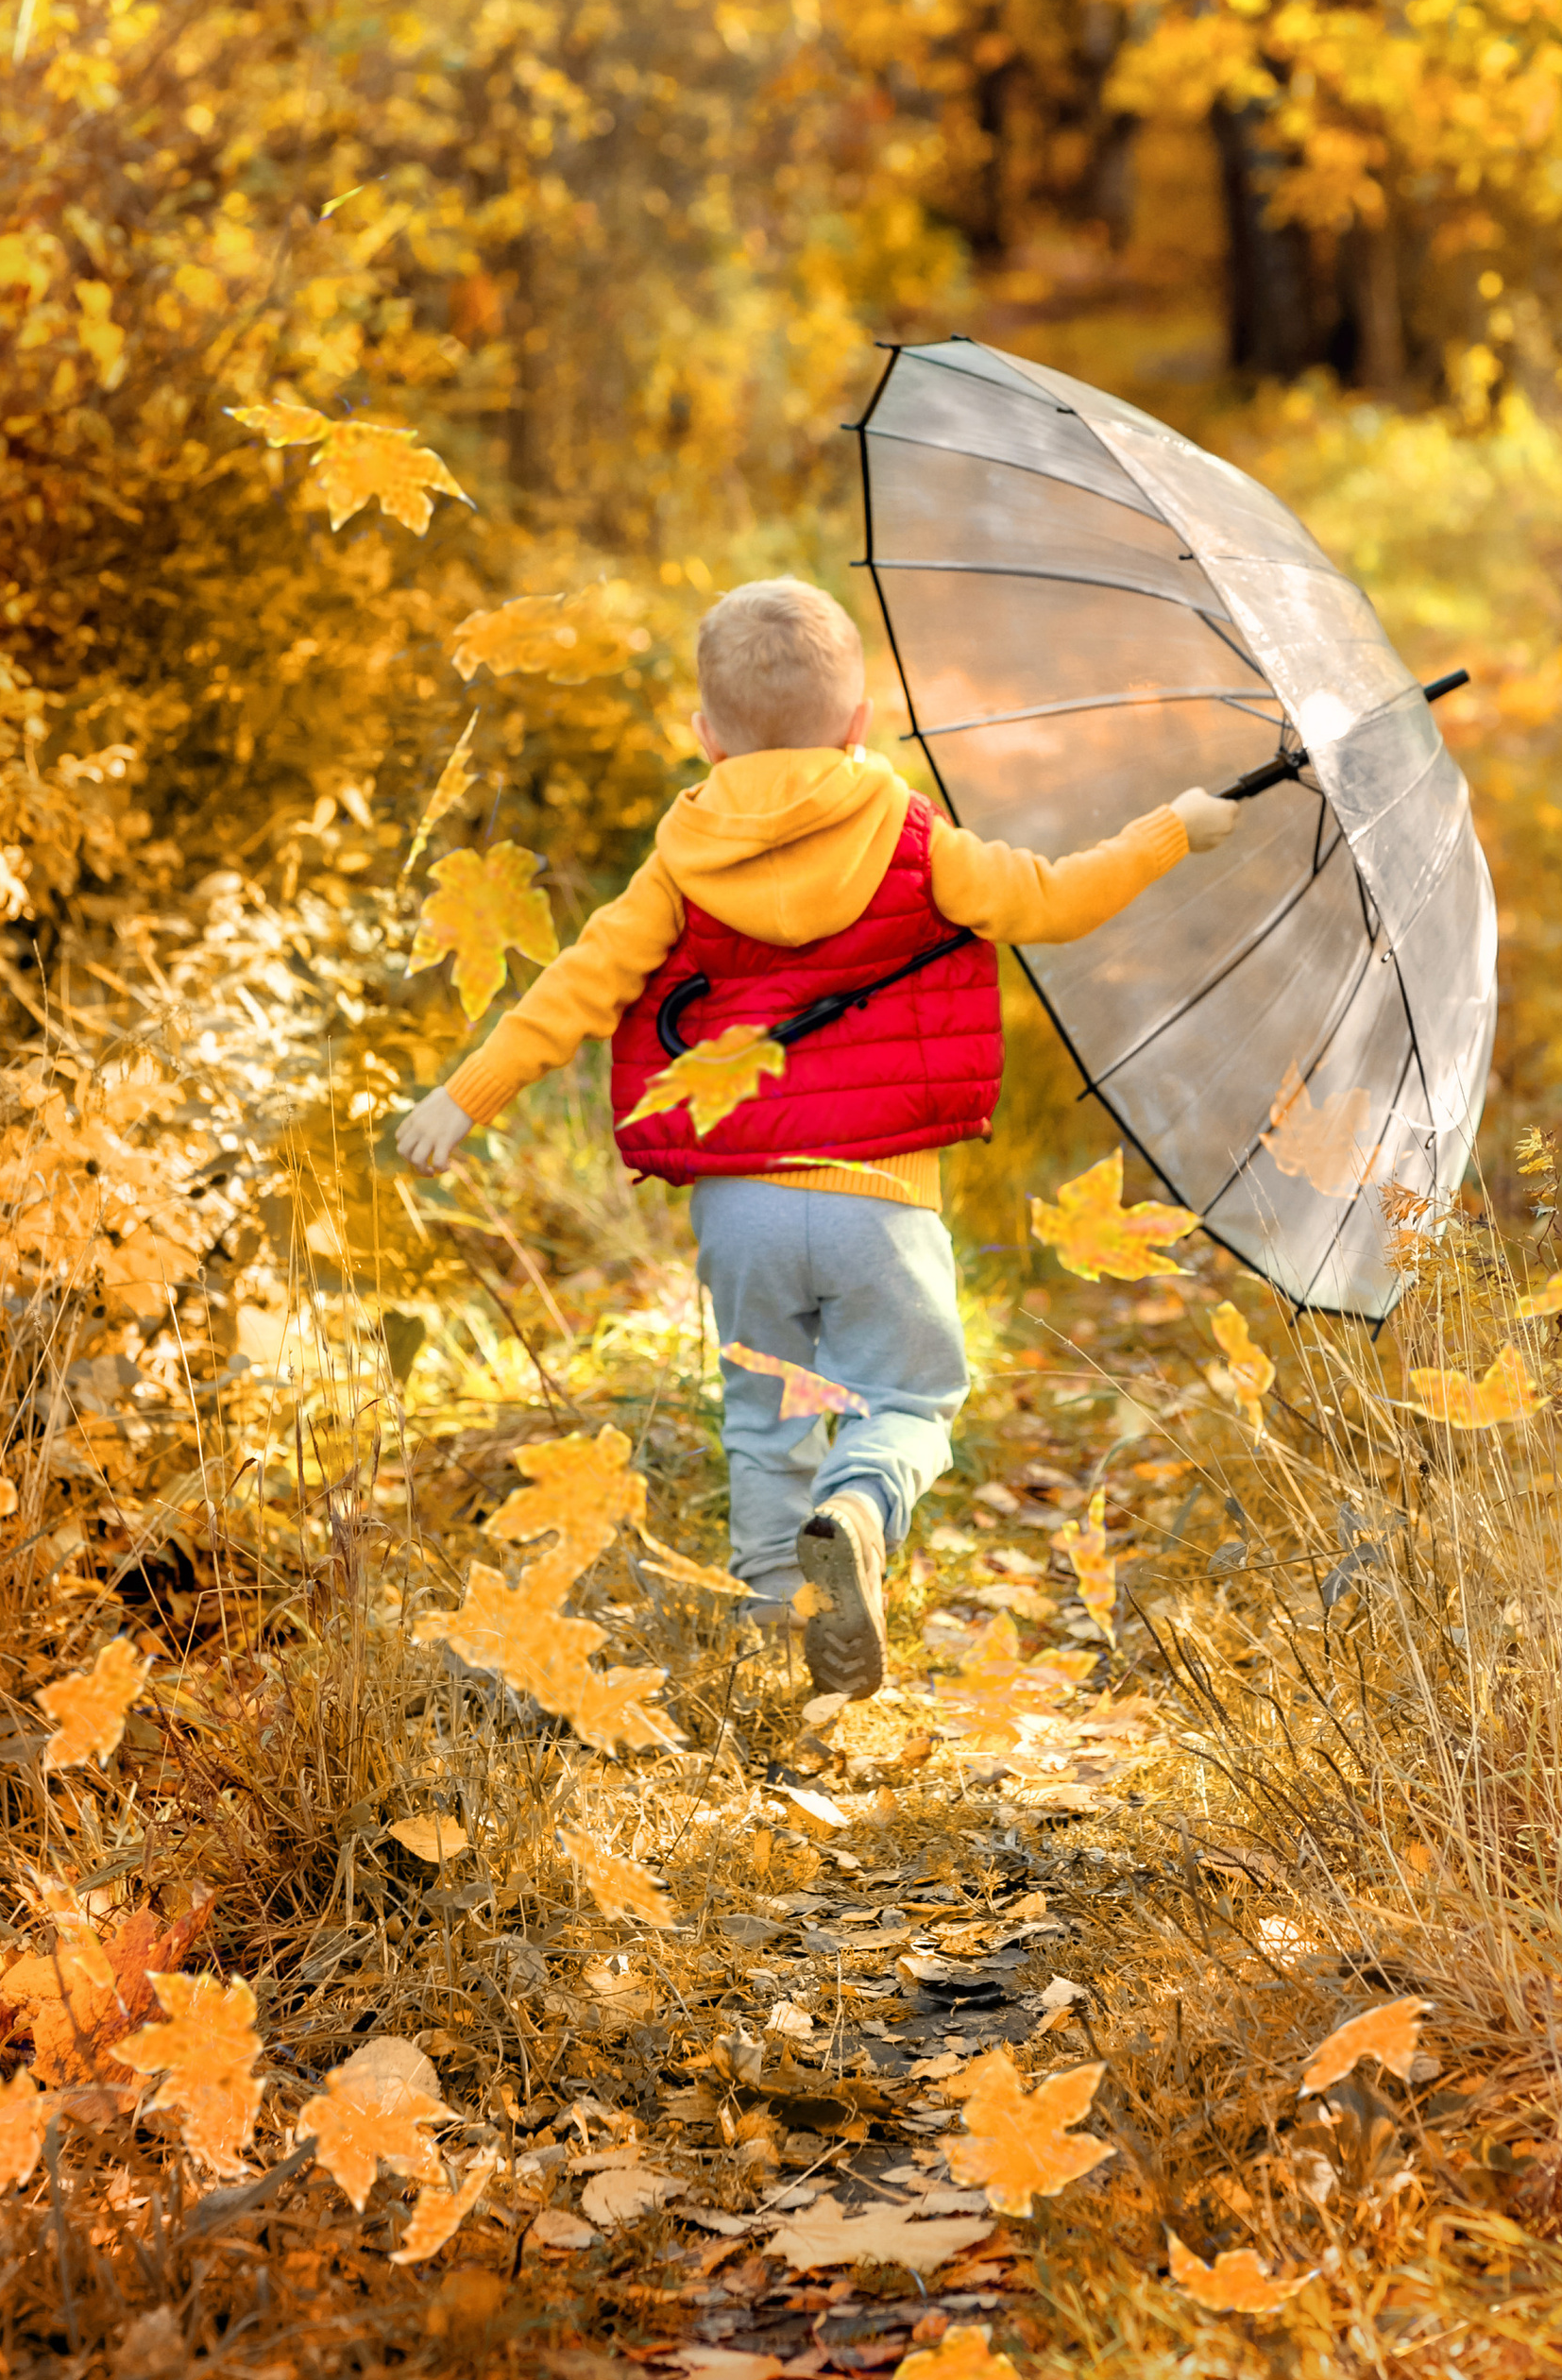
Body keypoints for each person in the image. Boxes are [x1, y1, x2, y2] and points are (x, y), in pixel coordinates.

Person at [396, 578, 1238, 1699]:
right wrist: (1176, 825)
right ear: (858, 724)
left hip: (738, 1204)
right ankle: (859, 1509)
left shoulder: (681, 859)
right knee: (908, 1401)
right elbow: (1055, 898)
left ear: (705, 736)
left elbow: (581, 983)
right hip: (878, 1197)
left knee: (762, 1416)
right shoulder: (911, 834)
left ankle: (762, 1632)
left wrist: (467, 1094)